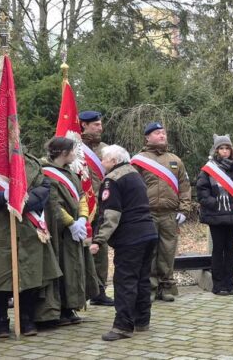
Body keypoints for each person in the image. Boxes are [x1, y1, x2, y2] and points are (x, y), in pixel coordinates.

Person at [0, 151, 61, 337]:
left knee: (29, 275)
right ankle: (1, 320)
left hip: (27, 227)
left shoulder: (31, 162)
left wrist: (20, 200)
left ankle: (26, 317)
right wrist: (4, 195)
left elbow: (43, 188)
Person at [91, 145, 159, 341]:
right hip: (148, 233)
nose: (102, 163)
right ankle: (142, 321)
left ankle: (122, 326)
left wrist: (99, 240)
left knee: (125, 281)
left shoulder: (112, 180)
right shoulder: (134, 174)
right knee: (142, 279)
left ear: (113, 161)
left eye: (104, 159)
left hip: (130, 237)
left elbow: (111, 213)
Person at [37, 137, 96, 326]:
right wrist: (70, 223)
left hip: (75, 229)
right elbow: (52, 204)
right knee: (63, 267)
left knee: (75, 267)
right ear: (63, 153)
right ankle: (60, 308)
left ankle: (71, 307)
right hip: (59, 230)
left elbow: (81, 196)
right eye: (73, 151)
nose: (75, 154)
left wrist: (82, 219)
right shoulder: (45, 173)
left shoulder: (70, 172)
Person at [131, 122, 192, 302]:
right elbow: (132, 187)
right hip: (146, 213)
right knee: (149, 251)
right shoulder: (138, 160)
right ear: (147, 137)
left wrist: (184, 209)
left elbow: (185, 186)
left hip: (169, 214)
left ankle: (166, 287)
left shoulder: (175, 160)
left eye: (163, 133)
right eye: (157, 133)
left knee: (168, 250)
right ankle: (149, 287)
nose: (162, 135)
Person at [195, 135, 233, 296]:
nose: (225, 151)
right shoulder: (208, 169)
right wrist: (215, 203)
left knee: (229, 250)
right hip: (216, 215)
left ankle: (230, 284)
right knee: (218, 250)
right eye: (221, 148)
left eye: (227, 148)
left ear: (231, 150)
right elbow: (202, 191)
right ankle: (218, 285)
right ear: (216, 150)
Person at [80, 110, 113, 306]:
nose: (100, 128)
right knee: (81, 250)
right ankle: (81, 290)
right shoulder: (74, 147)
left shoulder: (106, 150)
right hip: (80, 208)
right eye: (95, 125)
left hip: (102, 206)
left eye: (100, 124)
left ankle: (100, 290)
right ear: (84, 125)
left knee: (100, 248)